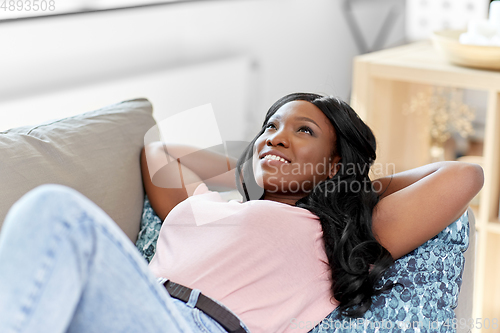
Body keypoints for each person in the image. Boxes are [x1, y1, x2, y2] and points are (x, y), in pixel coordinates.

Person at [0, 93, 483, 333]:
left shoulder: (331, 230)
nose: (276, 136)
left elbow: (464, 176)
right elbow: (160, 155)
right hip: (135, 307)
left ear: (336, 163)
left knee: (55, 211)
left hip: (198, 326)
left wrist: (347, 186)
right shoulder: (211, 207)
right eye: (270, 127)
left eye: (304, 131)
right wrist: (260, 168)